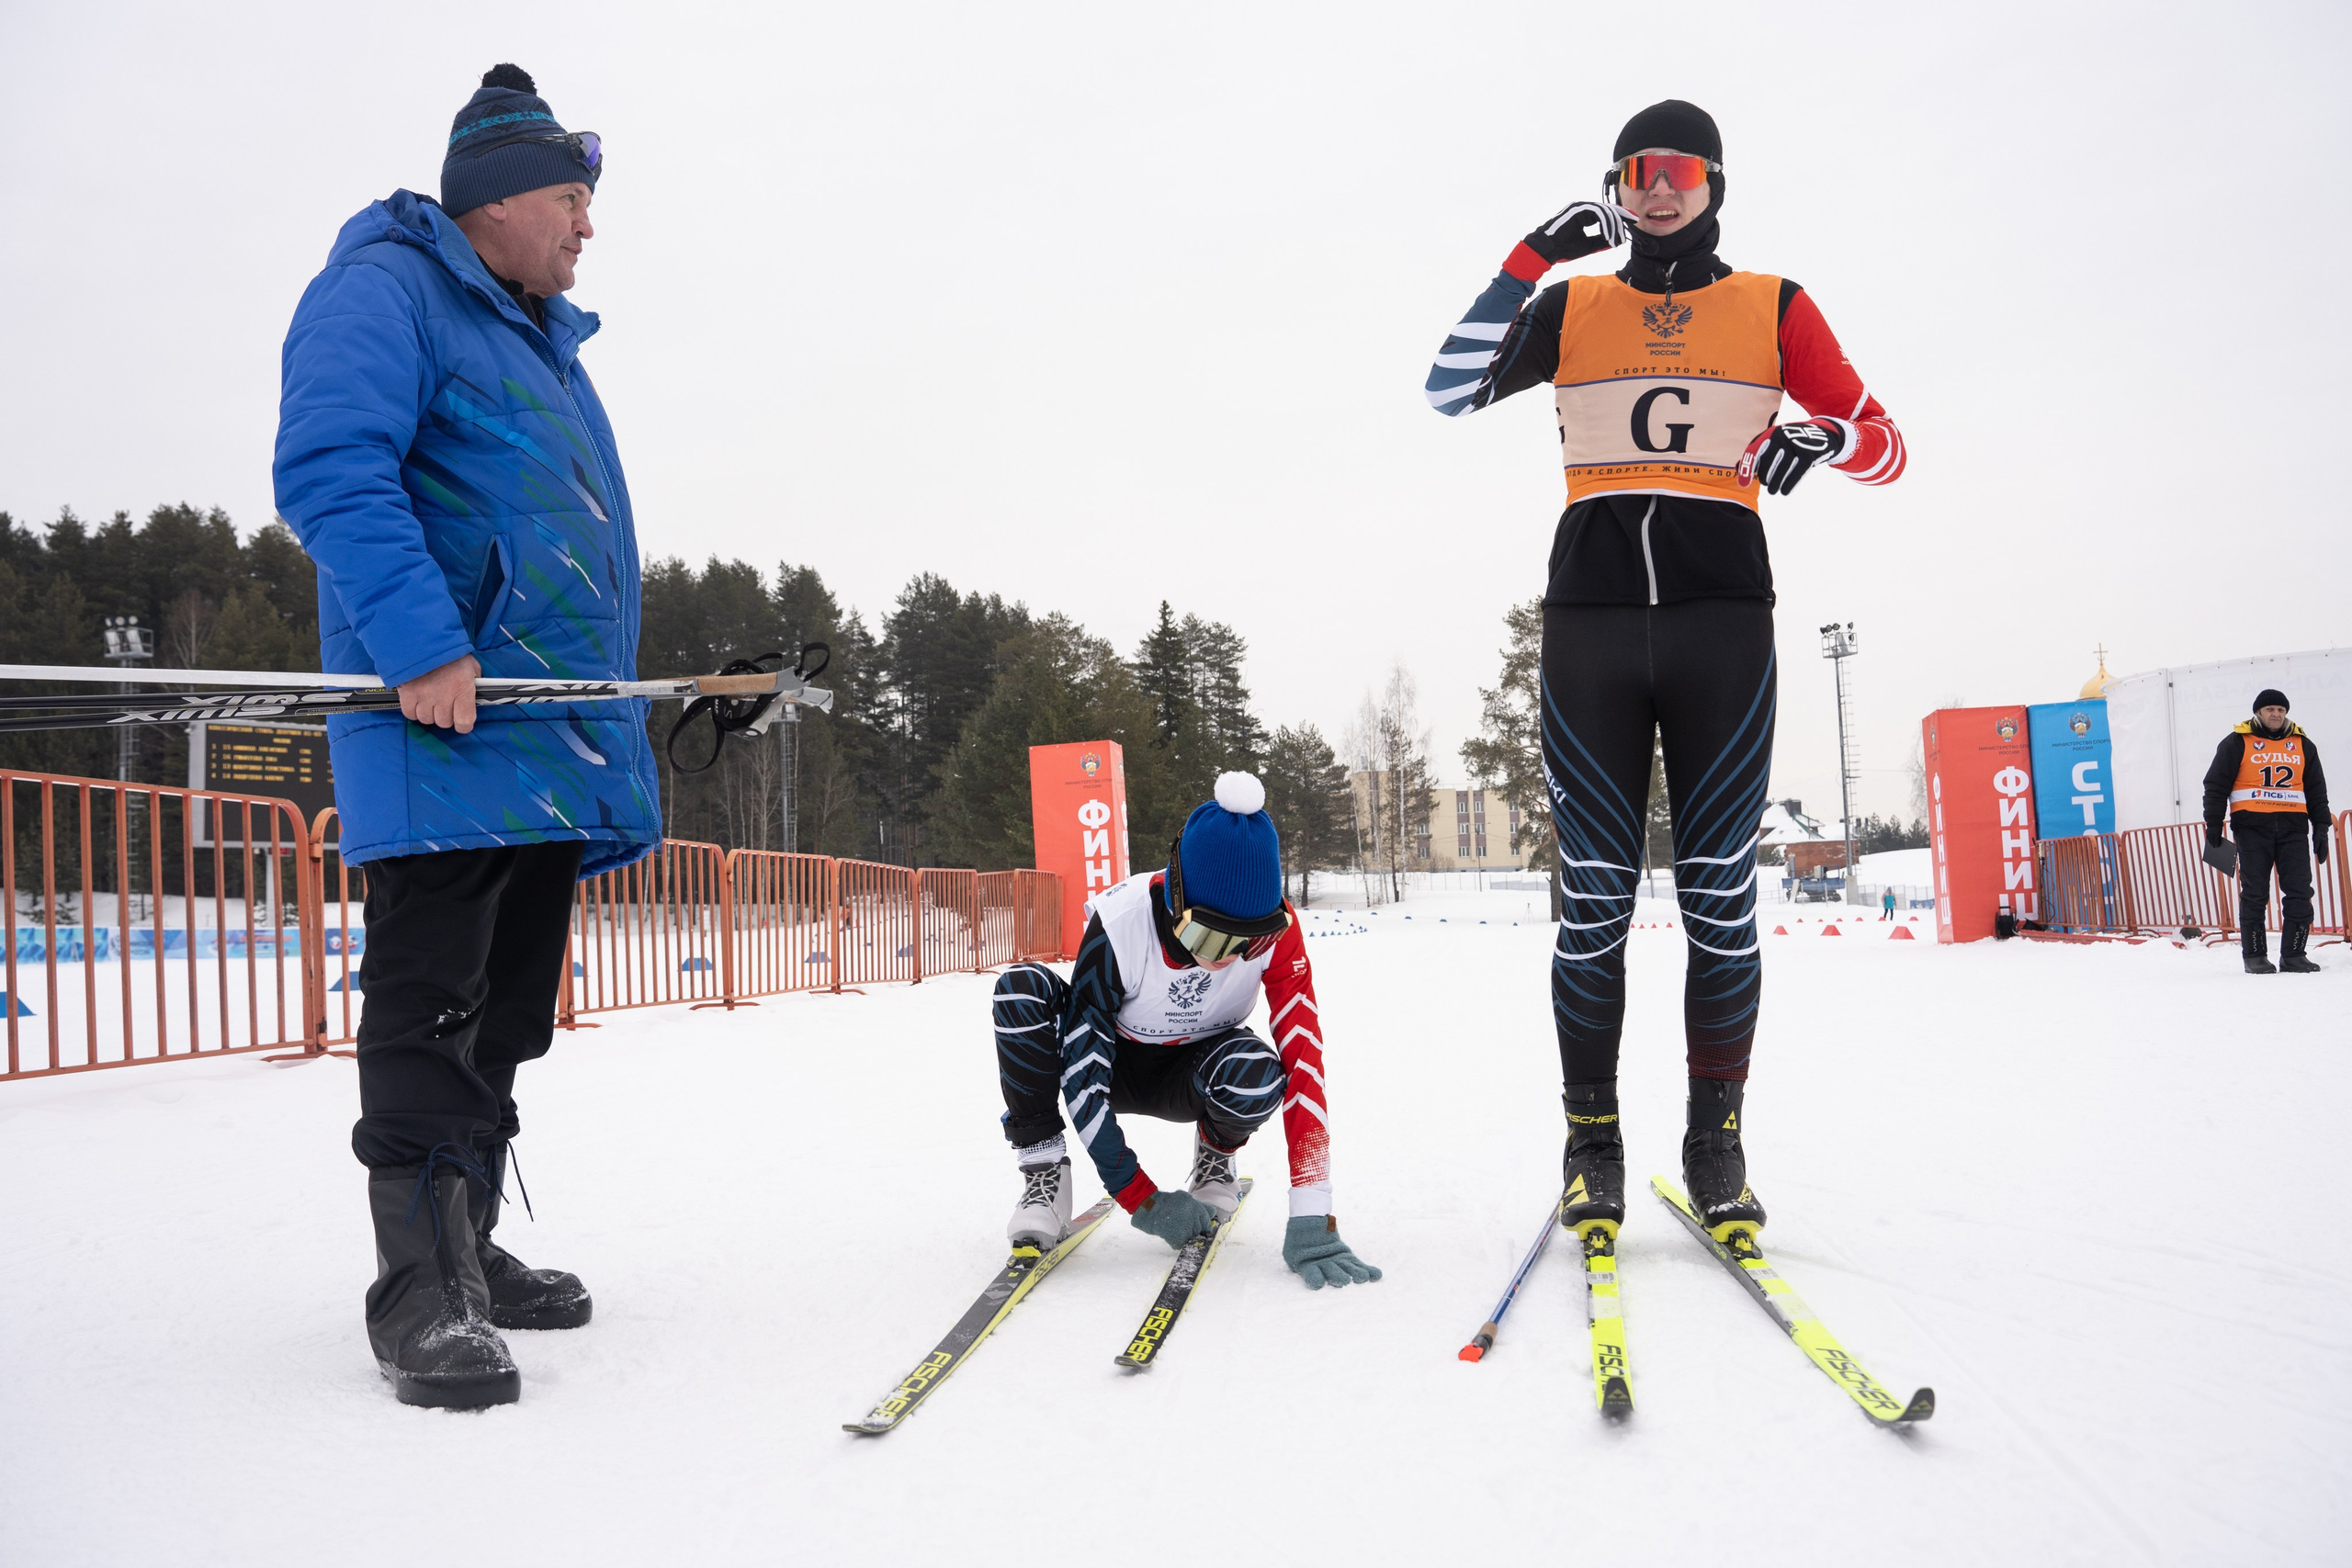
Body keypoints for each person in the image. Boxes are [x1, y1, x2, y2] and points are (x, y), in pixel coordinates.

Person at [1423, 101, 1905, 1246]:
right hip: (1589, 624)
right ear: (1615, 186)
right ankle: (1592, 1147)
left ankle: (1714, 1146)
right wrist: (1528, 259)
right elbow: (1447, 387)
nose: (1656, 188)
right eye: (1637, 169)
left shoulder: (1774, 304)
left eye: (1678, 170)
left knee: (1718, 897)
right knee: (1593, 899)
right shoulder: (1573, 305)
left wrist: (1826, 436)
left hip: (1720, 625)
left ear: (1712, 184)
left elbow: (1886, 445)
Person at [273, 65, 658, 1408]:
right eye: (570, 200)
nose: (587, 226)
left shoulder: (536, 334)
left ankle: (470, 1247)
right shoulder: (385, 289)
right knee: (430, 1007)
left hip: (543, 731)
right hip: (444, 724)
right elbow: (330, 465)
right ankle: (418, 1292)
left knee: (505, 1011)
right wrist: (422, 643)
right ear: (492, 203)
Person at [991, 773, 1381, 1290]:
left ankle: (1215, 1156)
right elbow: (1083, 1075)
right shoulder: (1122, 923)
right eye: (1210, 937)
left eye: (1249, 941)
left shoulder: (1280, 932)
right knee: (1020, 990)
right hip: (1111, 1065)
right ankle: (1045, 1173)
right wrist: (1142, 1198)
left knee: (1258, 1073)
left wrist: (1313, 1213)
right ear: (1177, 895)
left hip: (1192, 1072)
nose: (1229, 959)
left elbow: (1304, 1062)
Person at [2203, 690, 2331, 975]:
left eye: (2281, 710)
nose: (2276, 714)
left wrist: (2321, 827)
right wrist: (2213, 822)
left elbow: (2316, 790)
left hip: (2293, 830)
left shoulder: (2303, 744)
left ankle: (2294, 954)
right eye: (2270, 709)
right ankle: (2255, 956)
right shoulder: (2237, 741)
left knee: (2300, 891)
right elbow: (2216, 784)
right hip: (2251, 829)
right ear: (2258, 712)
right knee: (2255, 893)